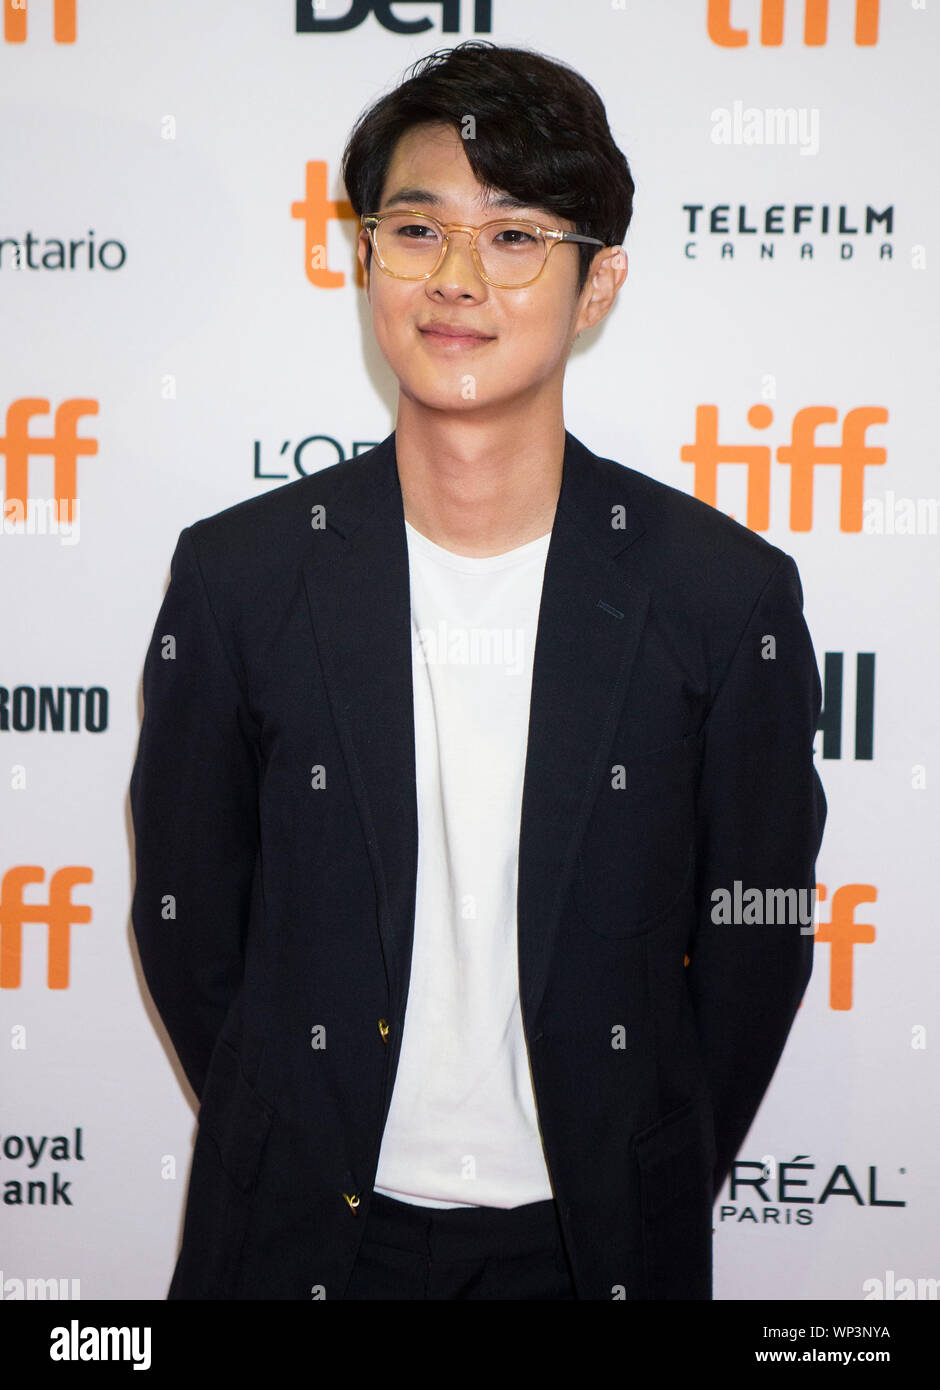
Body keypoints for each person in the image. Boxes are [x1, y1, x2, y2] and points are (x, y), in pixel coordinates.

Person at [129, 40, 826, 1300]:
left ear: (597, 283)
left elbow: (755, 938)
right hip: (298, 1239)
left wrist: (649, 1161)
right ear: (364, 256)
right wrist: (294, 1122)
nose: (455, 279)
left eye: (514, 238)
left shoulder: (722, 595)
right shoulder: (239, 577)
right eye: (417, 229)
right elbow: (188, 919)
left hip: (593, 1247)